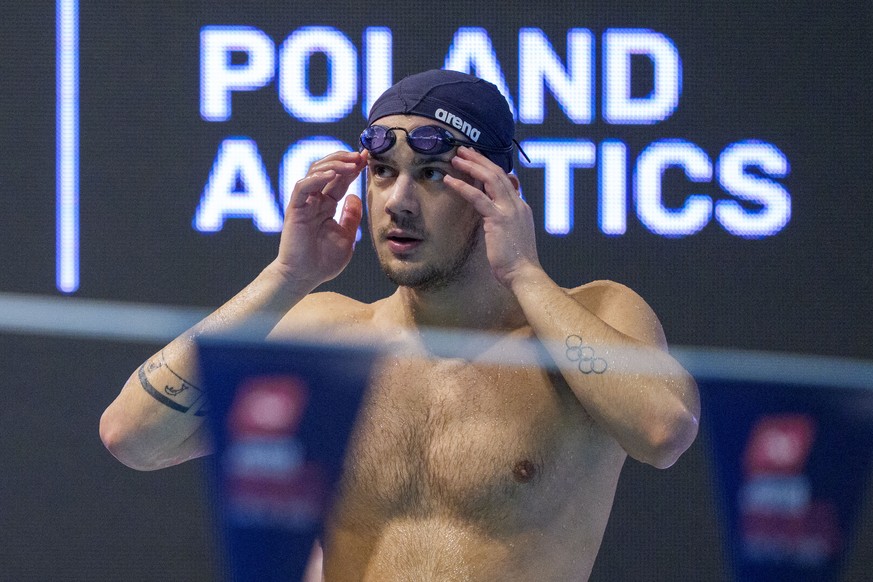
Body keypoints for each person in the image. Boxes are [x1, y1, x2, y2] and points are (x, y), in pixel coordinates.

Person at [100, 69, 699, 580]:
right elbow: (134, 437)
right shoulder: (326, 339)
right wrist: (286, 276)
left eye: (434, 174)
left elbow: (664, 431)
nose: (399, 200)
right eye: (383, 171)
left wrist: (524, 272)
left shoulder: (594, 317)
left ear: (500, 193)